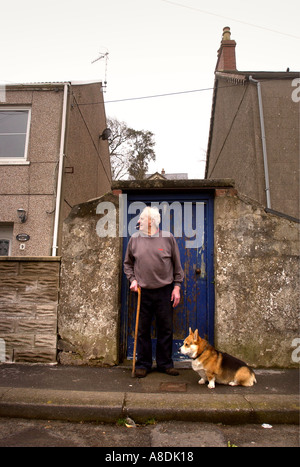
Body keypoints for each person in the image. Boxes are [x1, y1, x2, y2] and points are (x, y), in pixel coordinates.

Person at [124, 206, 184, 378]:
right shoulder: (134, 239)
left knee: (165, 329)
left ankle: (165, 364)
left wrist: (177, 287)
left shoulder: (168, 238)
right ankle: (143, 364)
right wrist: (132, 280)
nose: (138, 221)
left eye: (142, 219)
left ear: (151, 221)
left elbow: (177, 265)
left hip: (165, 291)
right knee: (142, 330)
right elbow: (127, 264)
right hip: (142, 292)